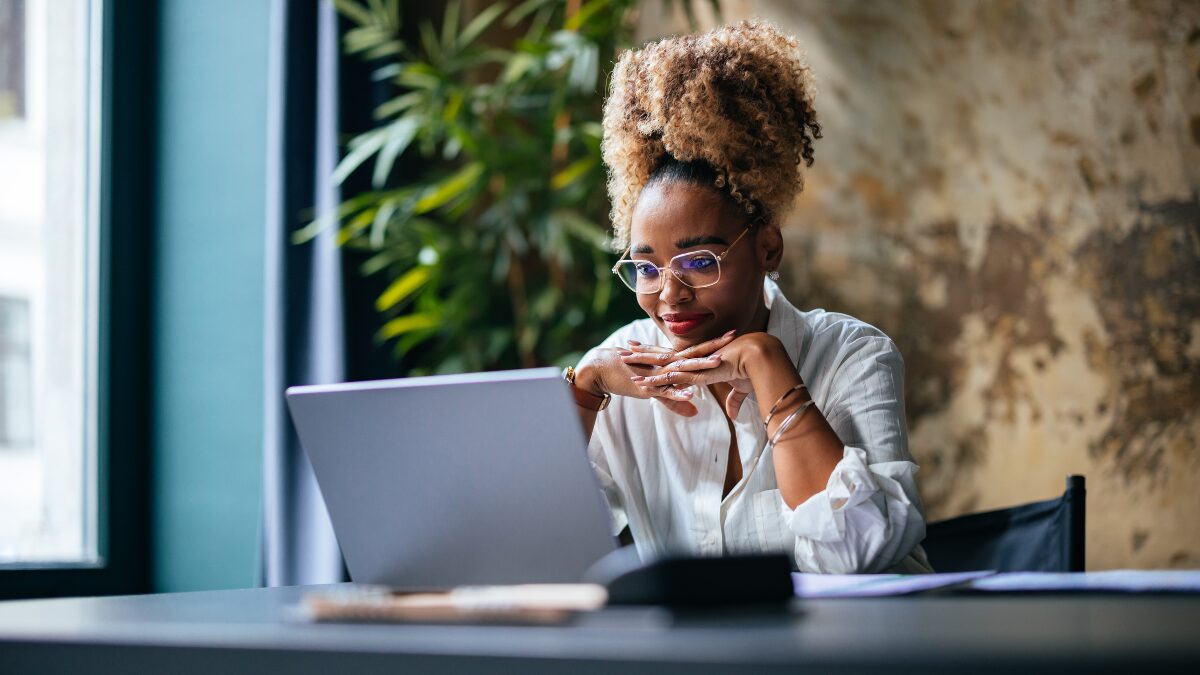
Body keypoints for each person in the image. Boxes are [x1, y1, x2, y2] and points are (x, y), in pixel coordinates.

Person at [566, 20, 931, 573]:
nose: (670, 294)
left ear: (767, 248)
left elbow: (860, 556)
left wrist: (766, 365)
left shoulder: (853, 357)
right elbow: (522, 540)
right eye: (646, 267)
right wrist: (585, 389)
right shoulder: (626, 370)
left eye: (699, 261)